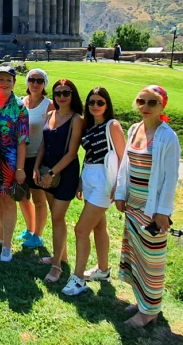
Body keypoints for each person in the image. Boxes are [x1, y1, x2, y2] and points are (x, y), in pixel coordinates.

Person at [115, 85, 180, 328]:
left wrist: (163, 211)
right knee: (135, 256)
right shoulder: (134, 129)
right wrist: (121, 193)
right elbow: (125, 165)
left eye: (152, 102)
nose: (145, 107)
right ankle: (142, 300)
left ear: (162, 106)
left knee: (151, 260)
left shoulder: (167, 136)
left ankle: (149, 311)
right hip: (133, 204)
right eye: (141, 101)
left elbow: (171, 177)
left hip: (152, 209)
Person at [62, 87, 125, 296]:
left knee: (81, 229)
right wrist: (81, 179)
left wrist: (120, 184)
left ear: (107, 105)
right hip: (89, 177)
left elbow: (124, 157)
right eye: (91, 102)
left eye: (100, 102)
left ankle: (78, 278)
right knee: (99, 227)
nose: (95, 106)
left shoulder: (112, 125)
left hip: (104, 181)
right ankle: (103, 270)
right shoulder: (89, 126)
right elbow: (88, 154)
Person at [34, 79, 84, 283]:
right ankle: (60, 256)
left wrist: (51, 174)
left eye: (66, 92)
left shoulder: (77, 119)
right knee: (55, 214)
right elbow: (43, 145)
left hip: (64, 174)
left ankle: (57, 267)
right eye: (58, 93)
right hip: (47, 171)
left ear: (73, 95)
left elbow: (72, 154)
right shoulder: (50, 114)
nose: (62, 96)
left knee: (57, 217)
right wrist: (37, 167)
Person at [0, 64, 29, 262]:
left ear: (14, 83)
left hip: (9, 163)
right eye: (0, 79)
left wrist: (20, 168)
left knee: (8, 201)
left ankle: (8, 246)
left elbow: (22, 140)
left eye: (8, 80)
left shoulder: (20, 107)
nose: (4, 83)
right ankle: (1, 235)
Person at [13, 69, 55, 249]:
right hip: (21, 156)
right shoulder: (21, 102)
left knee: (39, 198)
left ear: (45, 84)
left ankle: (38, 235)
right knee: (22, 196)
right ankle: (29, 230)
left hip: (38, 158)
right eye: (32, 80)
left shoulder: (49, 105)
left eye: (39, 81)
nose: (35, 84)